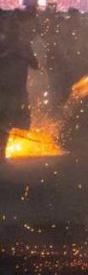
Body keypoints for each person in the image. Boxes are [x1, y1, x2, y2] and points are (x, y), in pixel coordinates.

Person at [0, 14, 39, 164]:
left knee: (19, 123)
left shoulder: (24, 45)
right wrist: (7, 55)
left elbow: (35, 64)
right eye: (11, 27)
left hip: (19, 90)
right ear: (5, 29)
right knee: (3, 123)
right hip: (3, 90)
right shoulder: (2, 44)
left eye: (15, 27)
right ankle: (2, 155)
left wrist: (24, 55)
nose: (13, 31)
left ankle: (7, 151)